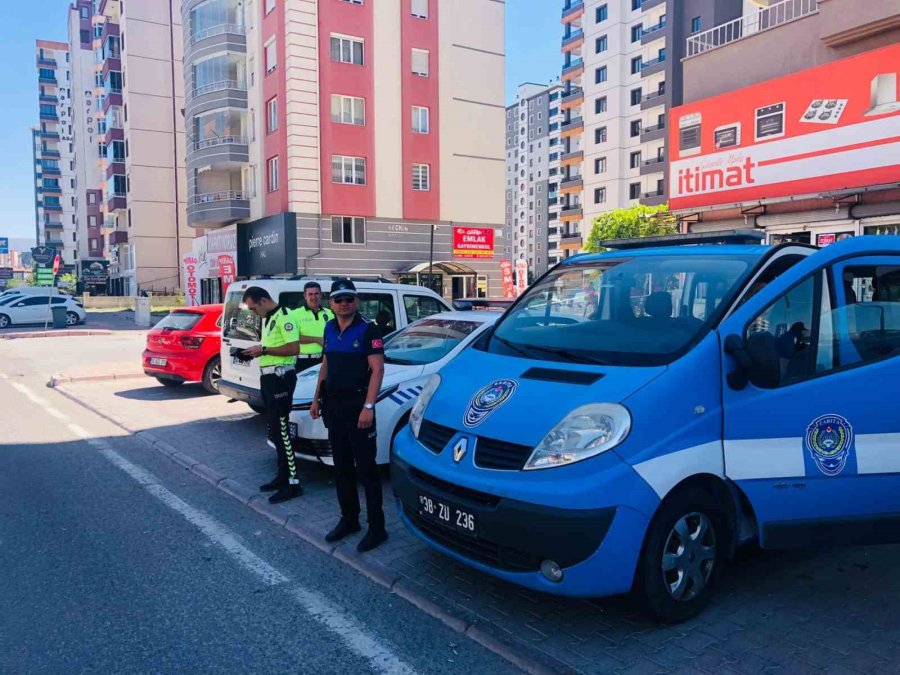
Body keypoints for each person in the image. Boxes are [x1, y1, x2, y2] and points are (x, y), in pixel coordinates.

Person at [310, 279, 387, 552]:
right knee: (341, 467)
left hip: (358, 406)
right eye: (339, 299)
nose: (344, 304)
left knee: (367, 470)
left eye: (349, 299)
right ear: (331, 303)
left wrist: (368, 407)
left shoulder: (368, 330)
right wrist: (316, 398)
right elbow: (326, 363)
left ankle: (377, 528)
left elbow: (377, 371)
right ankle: (349, 519)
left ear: (356, 301)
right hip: (334, 406)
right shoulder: (329, 328)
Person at [241, 286, 304, 504]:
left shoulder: (285, 316)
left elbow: (294, 348)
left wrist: (265, 351)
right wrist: (260, 349)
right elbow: (274, 346)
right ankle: (282, 476)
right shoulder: (270, 318)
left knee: (282, 431)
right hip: (268, 378)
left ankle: (293, 483)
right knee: (275, 430)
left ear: (263, 300)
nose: (253, 312)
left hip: (281, 379)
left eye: (253, 308)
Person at [293, 281, 333, 372]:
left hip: (325, 360)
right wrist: (317, 339)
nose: (314, 297)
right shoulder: (295, 314)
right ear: (305, 296)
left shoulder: (330, 314)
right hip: (303, 361)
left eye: (316, 294)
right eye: (310, 294)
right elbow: (292, 338)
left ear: (321, 295)